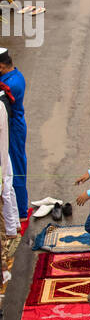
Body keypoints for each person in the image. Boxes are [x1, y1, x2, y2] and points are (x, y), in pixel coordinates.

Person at [0, 48, 27, 218]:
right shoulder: (14, 75)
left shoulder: (11, 84)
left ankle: (21, 211)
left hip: (12, 128)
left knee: (14, 168)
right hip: (13, 124)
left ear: (1, 66)